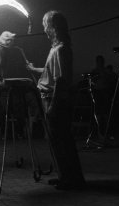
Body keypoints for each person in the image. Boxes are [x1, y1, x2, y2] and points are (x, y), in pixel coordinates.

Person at [26, 10, 85, 190]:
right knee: (57, 140)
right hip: (52, 99)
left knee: (62, 141)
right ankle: (65, 176)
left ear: (53, 27)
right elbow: (51, 70)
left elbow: (60, 79)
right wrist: (35, 69)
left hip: (55, 100)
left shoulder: (61, 49)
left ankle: (72, 180)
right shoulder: (56, 48)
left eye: (45, 24)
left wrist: (52, 106)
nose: (43, 29)